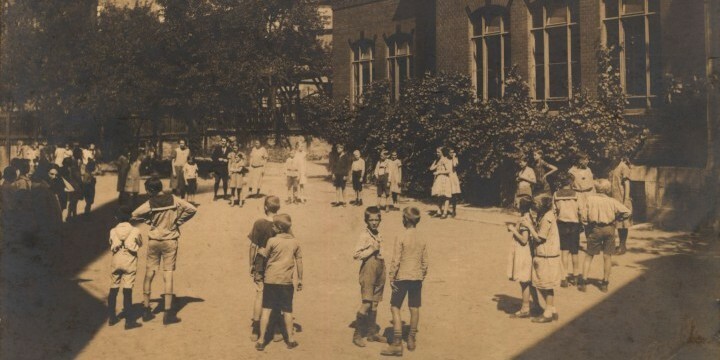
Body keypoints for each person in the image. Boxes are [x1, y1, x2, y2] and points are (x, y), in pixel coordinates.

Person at [132, 176, 197, 325]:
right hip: (170, 239)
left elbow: (135, 214)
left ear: (151, 190)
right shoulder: (173, 199)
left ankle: (146, 309)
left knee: (149, 273)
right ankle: (168, 313)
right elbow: (192, 209)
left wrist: (149, 221)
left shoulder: (150, 203)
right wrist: (178, 222)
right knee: (168, 274)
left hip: (154, 240)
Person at [381, 207, 427, 356]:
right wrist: (422, 275)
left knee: (395, 307)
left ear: (405, 219)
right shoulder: (422, 237)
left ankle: (396, 343)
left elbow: (396, 260)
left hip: (401, 276)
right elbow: (425, 262)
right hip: (416, 277)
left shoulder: (401, 236)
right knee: (414, 308)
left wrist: (391, 277)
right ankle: (412, 338)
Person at [256, 214, 303, 351]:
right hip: (286, 282)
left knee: (266, 310)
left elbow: (265, 255)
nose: (273, 227)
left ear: (279, 228)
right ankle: (291, 339)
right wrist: (300, 279)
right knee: (288, 311)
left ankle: (261, 340)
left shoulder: (272, 241)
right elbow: (299, 261)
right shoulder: (295, 242)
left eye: (274, 226)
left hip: (271, 280)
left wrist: (259, 250)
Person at [578, 179, 631, 293]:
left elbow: (583, 216)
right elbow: (627, 212)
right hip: (609, 229)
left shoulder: (589, 199)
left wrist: (587, 224)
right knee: (607, 257)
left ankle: (584, 281)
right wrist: (617, 218)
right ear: (607, 189)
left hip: (595, 229)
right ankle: (605, 283)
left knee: (589, 255)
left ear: (596, 188)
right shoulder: (612, 201)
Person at [352, 206, 386, 347]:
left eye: (376, 219)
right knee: (367, 302)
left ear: (379, 220)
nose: (374, 222)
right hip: (368, 270)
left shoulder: (378, 233)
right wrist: (371, 249)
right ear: (366, 220)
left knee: (375, 302)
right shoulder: (364, 235)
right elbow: (356, 254)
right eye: (371, 220)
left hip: (380, 268)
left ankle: (372, 332)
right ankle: (358, 334)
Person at [249, 196, 281, 341]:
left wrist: (251, 263)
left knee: (260, 294)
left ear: (265, 207)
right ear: (278, 208)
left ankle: (256, 329)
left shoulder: (259, 223)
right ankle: (275, 330)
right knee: (275, 294)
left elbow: (253, 246)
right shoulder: (282, 224)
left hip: (261, 261)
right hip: (276, 262)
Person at [107, 206, 143, 330]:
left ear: (116, 217)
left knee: (114, 287)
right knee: (127, 289)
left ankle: (112, 317)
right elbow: (140, 243)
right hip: (129, 260)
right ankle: (129, 321)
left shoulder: (113, 230)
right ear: (130, 217)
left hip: (116, 260)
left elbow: (110, 243)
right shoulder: (135, 230)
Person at [529, 195, 562, 323]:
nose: (534, 205)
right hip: (545, 255)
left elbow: (540, 238)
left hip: (547, 257)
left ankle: (548, 313)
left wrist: (529, 226)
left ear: (542, 205)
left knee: (547, 285)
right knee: (542, 284)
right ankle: (552, 309)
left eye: (536, 204)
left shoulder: (547, 218)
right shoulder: (544, 215)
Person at [506, 196, 535, 318]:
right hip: (525, 251)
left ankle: (525, 308)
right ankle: (535, 304)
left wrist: (512, 229)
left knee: (524, 281)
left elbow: (524, 239)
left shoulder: (524, 220)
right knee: (527, 280)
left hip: (523, 252)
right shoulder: (529, 217)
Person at [553, 172, 583, 288]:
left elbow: (554, 210)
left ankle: (563, 277)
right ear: (571, 182)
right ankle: (575, 276)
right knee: (574, 252)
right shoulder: (576, 194)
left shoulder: (556, 194)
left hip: (561, 224)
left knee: (564, 251)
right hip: (574, 224)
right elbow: (580, 210)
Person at [610, 157, 633, 255]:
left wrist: (626, 200)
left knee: (623, 223)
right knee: (617, 224)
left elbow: (627, 184)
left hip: (621, 198)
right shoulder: (612, 167)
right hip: (613, 199)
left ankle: (622, 245)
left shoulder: (623, 167)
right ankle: (619, 245)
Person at [429, 147, 452, 218]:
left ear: (442, 152)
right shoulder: (437, 160)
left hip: (444, 178)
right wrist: (436, 163)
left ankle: (445, 212)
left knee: (446, 196)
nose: (437, 153)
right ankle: (439, 211)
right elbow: (431, 168)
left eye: (438, 152)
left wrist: (439, 172)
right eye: (437, 152)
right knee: (439, 196)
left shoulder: (445, 160)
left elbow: (449, 170)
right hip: (439, 179)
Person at [61, 157, 82, 222]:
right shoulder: (73, 169)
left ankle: (69, 215)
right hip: (74, 187)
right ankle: (72, 215)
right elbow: (78, 178)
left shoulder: (62, 169)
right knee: (74, 201)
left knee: (69, 202)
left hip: (66, 187)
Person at [448, 148, 461, 217]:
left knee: (454, 195)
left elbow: (454, 165)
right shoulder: (446, 159)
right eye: (450, 152)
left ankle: (454, 211)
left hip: (453, 177)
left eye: (453, 152)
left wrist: (453, 157)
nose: (451, 153)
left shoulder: (455, 159)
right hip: (447, 177)